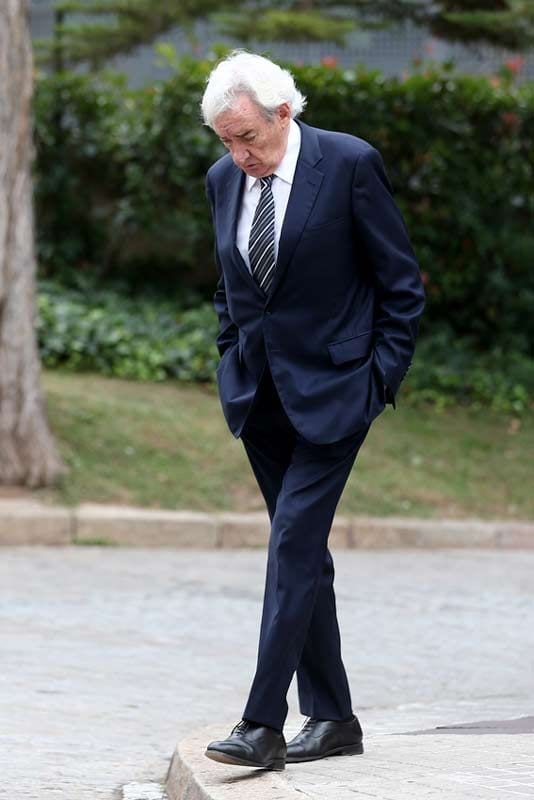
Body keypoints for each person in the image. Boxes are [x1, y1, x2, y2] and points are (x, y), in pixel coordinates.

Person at [200, 50, 425, 771]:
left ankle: (263, 722)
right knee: (306, 558)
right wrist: (230, 351)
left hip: (336, 394)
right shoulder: (221, 180)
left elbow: (400, 284)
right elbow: (231, 283)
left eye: (249, 139)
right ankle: (334, 717)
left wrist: (380, 379)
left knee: (292, 545)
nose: (239, 156)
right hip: (259, 397)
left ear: (284, 113)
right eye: (226, 142)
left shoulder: (349, 164)